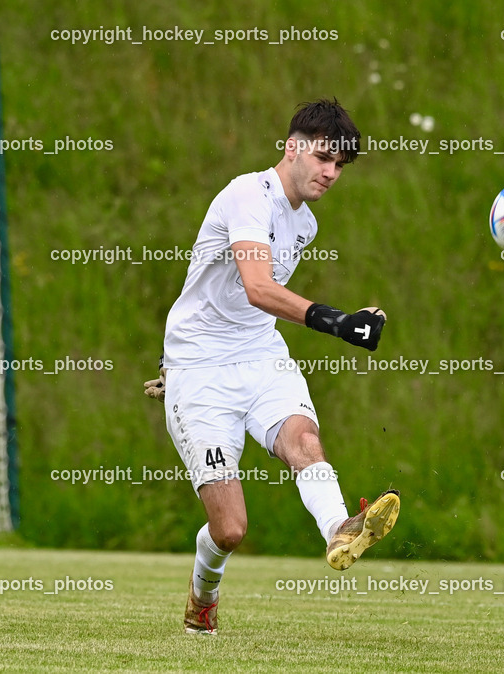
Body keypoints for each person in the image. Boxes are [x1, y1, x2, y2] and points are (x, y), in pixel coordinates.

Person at [144, 98, 401, 635]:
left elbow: (248, 306)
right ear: (292, 147)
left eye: (340, 165)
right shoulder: (247, 195)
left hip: (261, 356)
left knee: (304, 440)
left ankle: (340, 528)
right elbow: (259, 288)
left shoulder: (304, 224)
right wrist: (338, 322)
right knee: (231, 529)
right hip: (200, 369)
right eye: (324, 158)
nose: (330, 173)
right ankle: (203, 596)